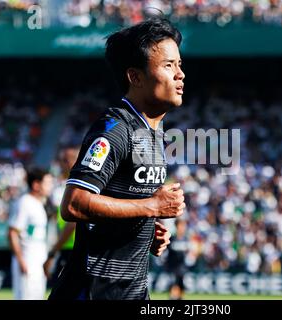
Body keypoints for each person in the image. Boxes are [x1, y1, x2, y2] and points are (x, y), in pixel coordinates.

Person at [48, 17, 186, 300]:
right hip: (93, 291)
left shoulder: (153, 132)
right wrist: (151, 206)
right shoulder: (115, 129)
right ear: (135, 77)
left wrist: (147, 233)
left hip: (132, 290)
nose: (180, 74)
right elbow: (73, 204)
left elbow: (122, 202)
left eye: (180, 64)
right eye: (168, 65)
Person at [8, 167, 54, 300]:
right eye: (47, 183)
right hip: (28, 260)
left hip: (38, 261)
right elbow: (12, 233)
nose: (50, 186)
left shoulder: (39, 204)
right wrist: (22, 261)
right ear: (36, 185)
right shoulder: (25, 202)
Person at [43, 146, 80, 283]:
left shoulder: (77, 188)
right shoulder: (63, 186)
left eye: (65, 160)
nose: (61, 163)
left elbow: (72, 224)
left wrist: (53, 252)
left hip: (74, 250)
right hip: (70, 249)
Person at [166, 219, 189, 300]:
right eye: (180, 226)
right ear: (176, 226)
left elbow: (189, 253)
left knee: (181, 286)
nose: (182, 228)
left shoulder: (186, 239)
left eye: (183, 226)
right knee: (173, 284)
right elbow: (166, 252)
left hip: (182, 267)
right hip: (172, 267)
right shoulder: (172, 238)